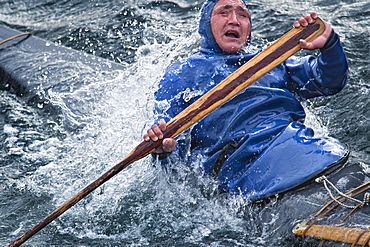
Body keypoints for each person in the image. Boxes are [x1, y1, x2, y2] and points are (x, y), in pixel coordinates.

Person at [143, 0, 349, 201]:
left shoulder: (273, 62)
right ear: (207, 23)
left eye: (242, 15)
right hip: (255, 185)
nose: (234, 20)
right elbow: (172, 158)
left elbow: (328, 81)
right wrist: (163, 151)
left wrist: (330, 45)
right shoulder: (181, 74)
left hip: (322, 156)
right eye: (224, 12)